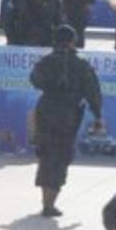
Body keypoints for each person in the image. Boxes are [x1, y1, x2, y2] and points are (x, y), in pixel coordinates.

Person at [29, 24, 103, 217]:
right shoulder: (82, 64)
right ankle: (49, 204)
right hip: (68, 115)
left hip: (46, 110)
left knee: (46, 154)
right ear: (72, 41)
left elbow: (35, 81)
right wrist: (98, 116)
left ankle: (46, 201)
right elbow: (93, 92)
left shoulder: (46, 61)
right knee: (61, 157)